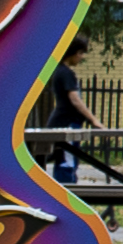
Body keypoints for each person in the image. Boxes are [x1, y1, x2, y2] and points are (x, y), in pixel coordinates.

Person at [39, 37, 99, 182]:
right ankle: (67, 192)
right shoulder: (66, 73)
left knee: (64, 160)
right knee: (67, 161)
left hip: (64, 121)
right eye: (80, 53)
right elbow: (75, 100)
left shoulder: (60, 72)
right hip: (67, 123)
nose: (81, 57)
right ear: (72, 53)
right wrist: (93, 120)